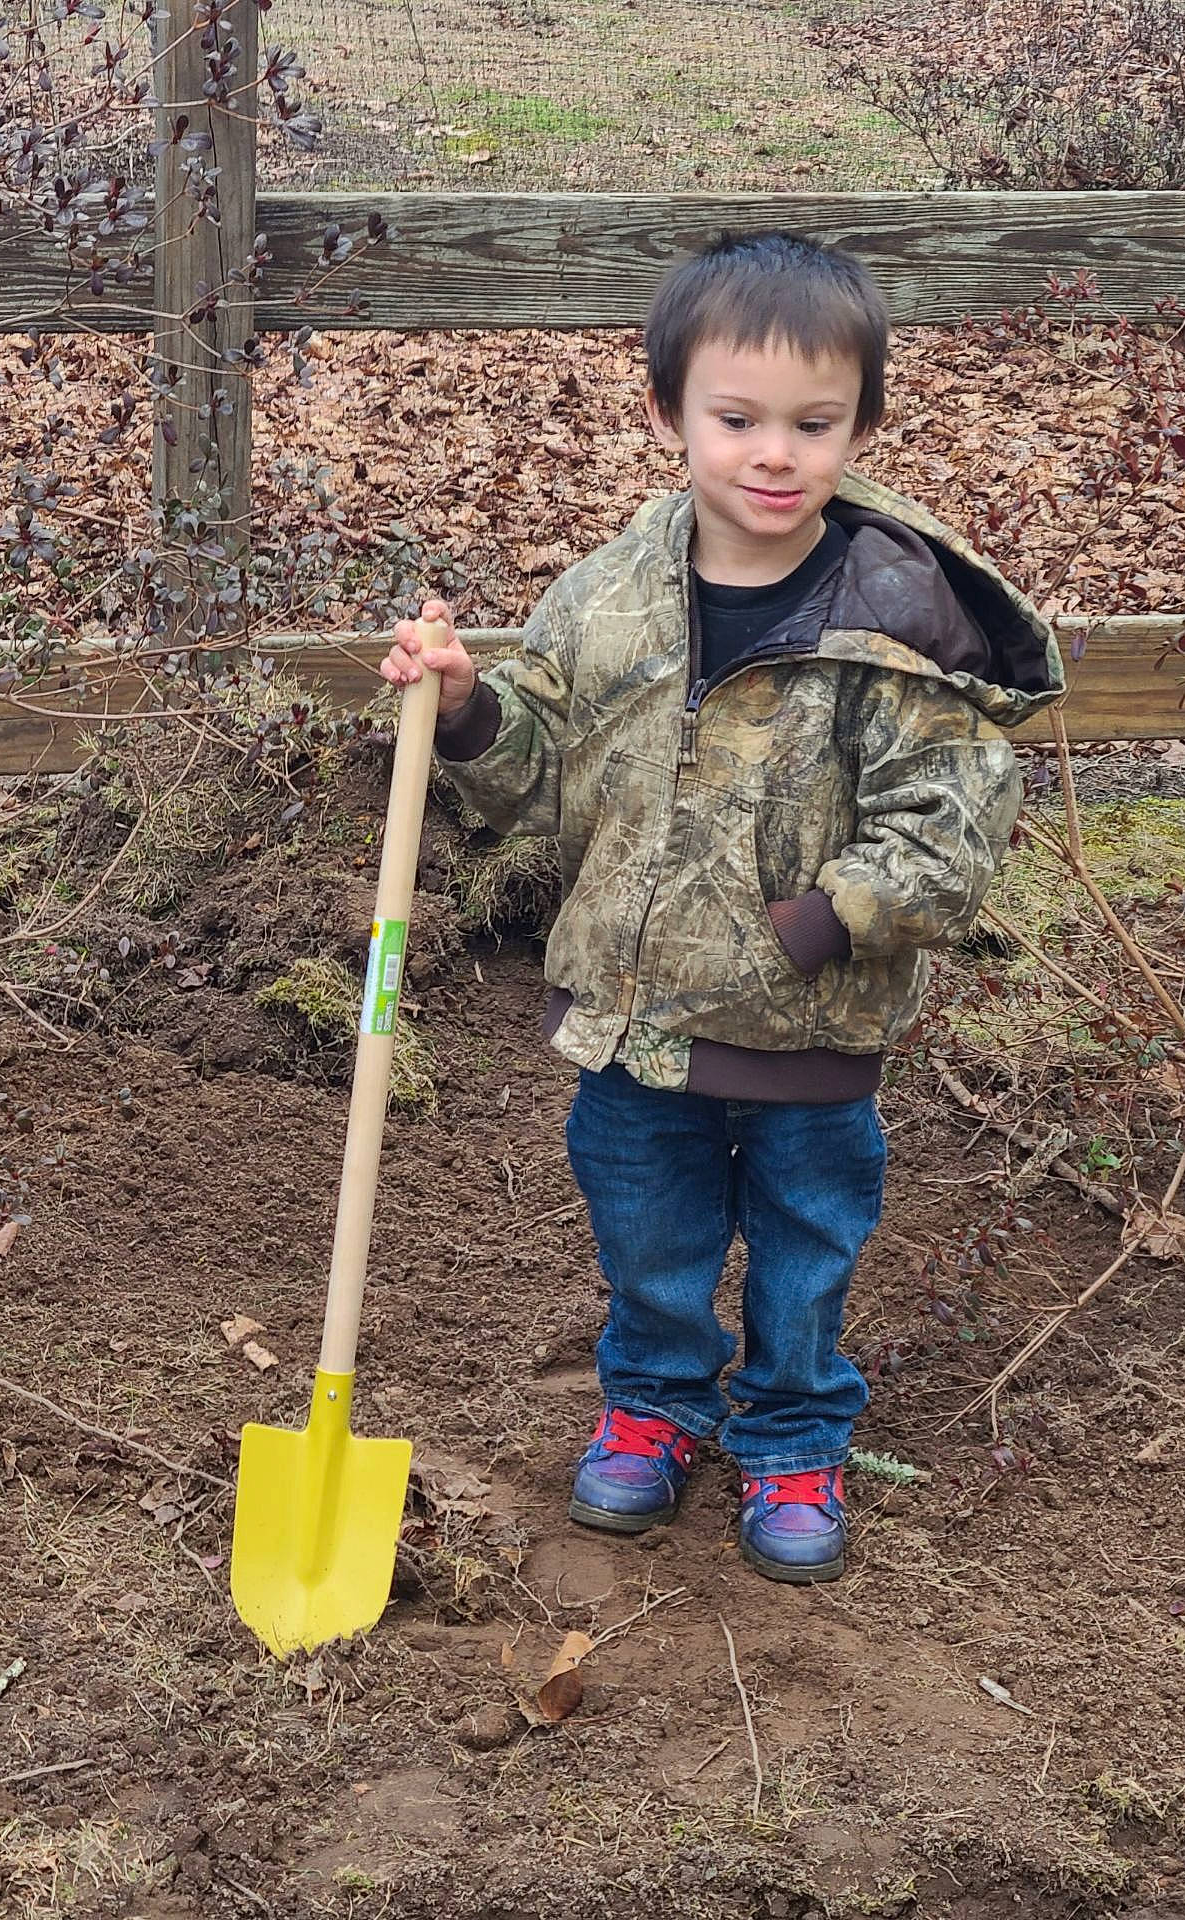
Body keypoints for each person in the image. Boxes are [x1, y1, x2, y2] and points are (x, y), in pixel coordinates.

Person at [379, 232, 1063, 1582]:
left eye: (814, 424)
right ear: (668, 414)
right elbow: (535, 769)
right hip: (630, 1022)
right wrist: (463, 707)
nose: (773, 453)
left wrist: (820, 921)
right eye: (736, 418)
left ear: (859, 426)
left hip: (806, 1030)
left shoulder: (896, 618)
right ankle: (653, 1404)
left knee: (806, 1251)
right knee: (650, 1233)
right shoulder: (607, 599)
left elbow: (953, 821)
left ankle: (796, 1432)